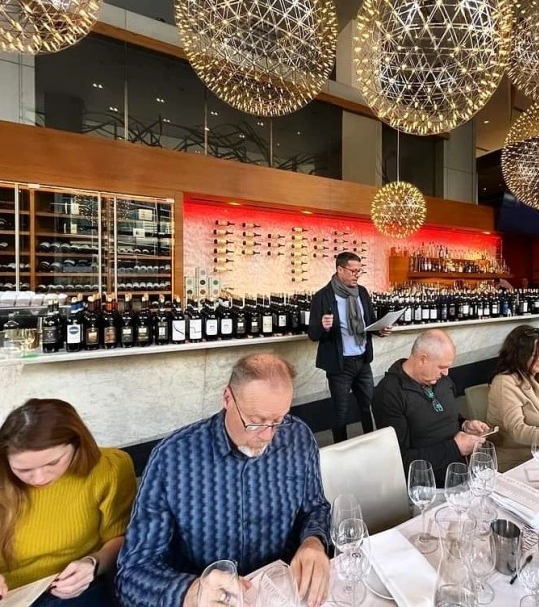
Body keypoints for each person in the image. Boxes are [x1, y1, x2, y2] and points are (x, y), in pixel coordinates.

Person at [116, 354, 331, 607]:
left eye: (278, 421)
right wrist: (192, 593)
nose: (268, 436)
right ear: (227, 398)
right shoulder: (172, 458)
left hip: (282, 593)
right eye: (256, 422)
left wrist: (314, 541)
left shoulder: (297, 437)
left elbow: (315, 507)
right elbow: (132, 571)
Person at [0, 398, 136, 606]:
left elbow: (121, 536)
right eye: (23, 470)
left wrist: (92, 563)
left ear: (77, 444)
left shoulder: (110, 468)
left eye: (53, 462)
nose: (39, 478)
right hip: (11, 595)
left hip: (75, 588)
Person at [372, 329, 488, 486]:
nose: (446, 373)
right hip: (427, 486)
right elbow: (400, 461)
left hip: (464, 475)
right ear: (422, 359)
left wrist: (465, 425)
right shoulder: (389, 393)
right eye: (441, 367)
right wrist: (455, 448)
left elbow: (447, 416)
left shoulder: (443, 381)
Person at [308, 252, 391, 443]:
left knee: (368, 406)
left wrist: (380, 330)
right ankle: (341, 449)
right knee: (340, 413)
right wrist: (323, 326)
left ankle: (373, 442)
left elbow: (369, 322)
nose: (357, 275)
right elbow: (313, 334)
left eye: (359, 271)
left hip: (362, 361)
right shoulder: (322, 296)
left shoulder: (362, 292)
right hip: (339, 366)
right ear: (340, 269)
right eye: (353, 271)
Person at [487, 326, 539, 471]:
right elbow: (518, 431)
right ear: (519, 354)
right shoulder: (504, 382)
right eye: (535, 354)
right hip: (517, 461)